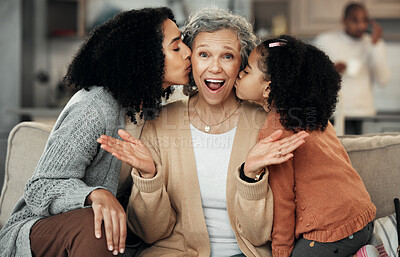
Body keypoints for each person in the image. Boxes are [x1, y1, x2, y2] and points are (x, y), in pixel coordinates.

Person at [98, 7, 308, 257]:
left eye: (227, 56)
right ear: (190, 60)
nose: (215, 68)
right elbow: (149, 233)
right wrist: (148, 177)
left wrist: (251, 176)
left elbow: (259, 235)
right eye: (204, 54)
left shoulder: (267, 126)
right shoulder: (159, 123)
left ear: (242, 64)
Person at [0, 7, 191, 257]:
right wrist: (94, 194)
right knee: (97, 223)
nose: (188, 52)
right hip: (41, 231)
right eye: (176, 47)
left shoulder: (152, 112)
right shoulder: (95, 107)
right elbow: (40, 187)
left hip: (106, 239)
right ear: (144, 58)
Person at [235, 35, 378, 257]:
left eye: (246, 72)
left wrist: (281, 251)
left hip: (331, 233)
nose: (238, 75)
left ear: (268, 89)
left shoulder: (275, 132)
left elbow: (283, 202)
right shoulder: (313, 115)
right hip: (363, 218)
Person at [314, 2, 391, 133]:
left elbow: (383, 80)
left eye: (364, 20)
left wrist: (376, 45)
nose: (361, 25)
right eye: (355, 20)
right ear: (344, 20)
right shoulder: (325, 41)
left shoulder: (374, 44)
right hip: (333, 114)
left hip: (364, 114)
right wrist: (331, 70)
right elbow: (311, 77)